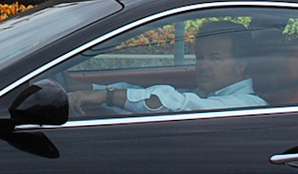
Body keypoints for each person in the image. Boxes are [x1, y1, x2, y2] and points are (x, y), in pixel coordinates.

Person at [68, 22, 265, 116]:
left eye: (215, 58)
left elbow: (174, 103)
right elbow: (141, 95)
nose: (203, 65)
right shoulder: (206, 93)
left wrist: (107, 96)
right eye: (200, 57)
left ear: (241, 66)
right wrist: (90, 89)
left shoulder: (248, 105)